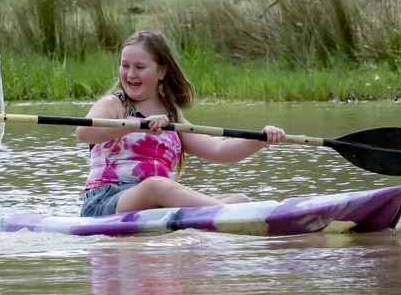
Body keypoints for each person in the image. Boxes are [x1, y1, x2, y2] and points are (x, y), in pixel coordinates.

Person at [74, 29, 285, 217]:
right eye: (125, 66)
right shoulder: (114, 105)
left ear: (162, 72)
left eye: (140, 67)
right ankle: (230, 215)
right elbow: (83, 133)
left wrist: (260, 139)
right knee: (157, 186)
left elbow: (219, 150)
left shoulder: (172, 116)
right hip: (107, 201)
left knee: (241, 199)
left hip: (158, 202)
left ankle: (234, 213)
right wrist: (135, 125)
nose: (130, 74)